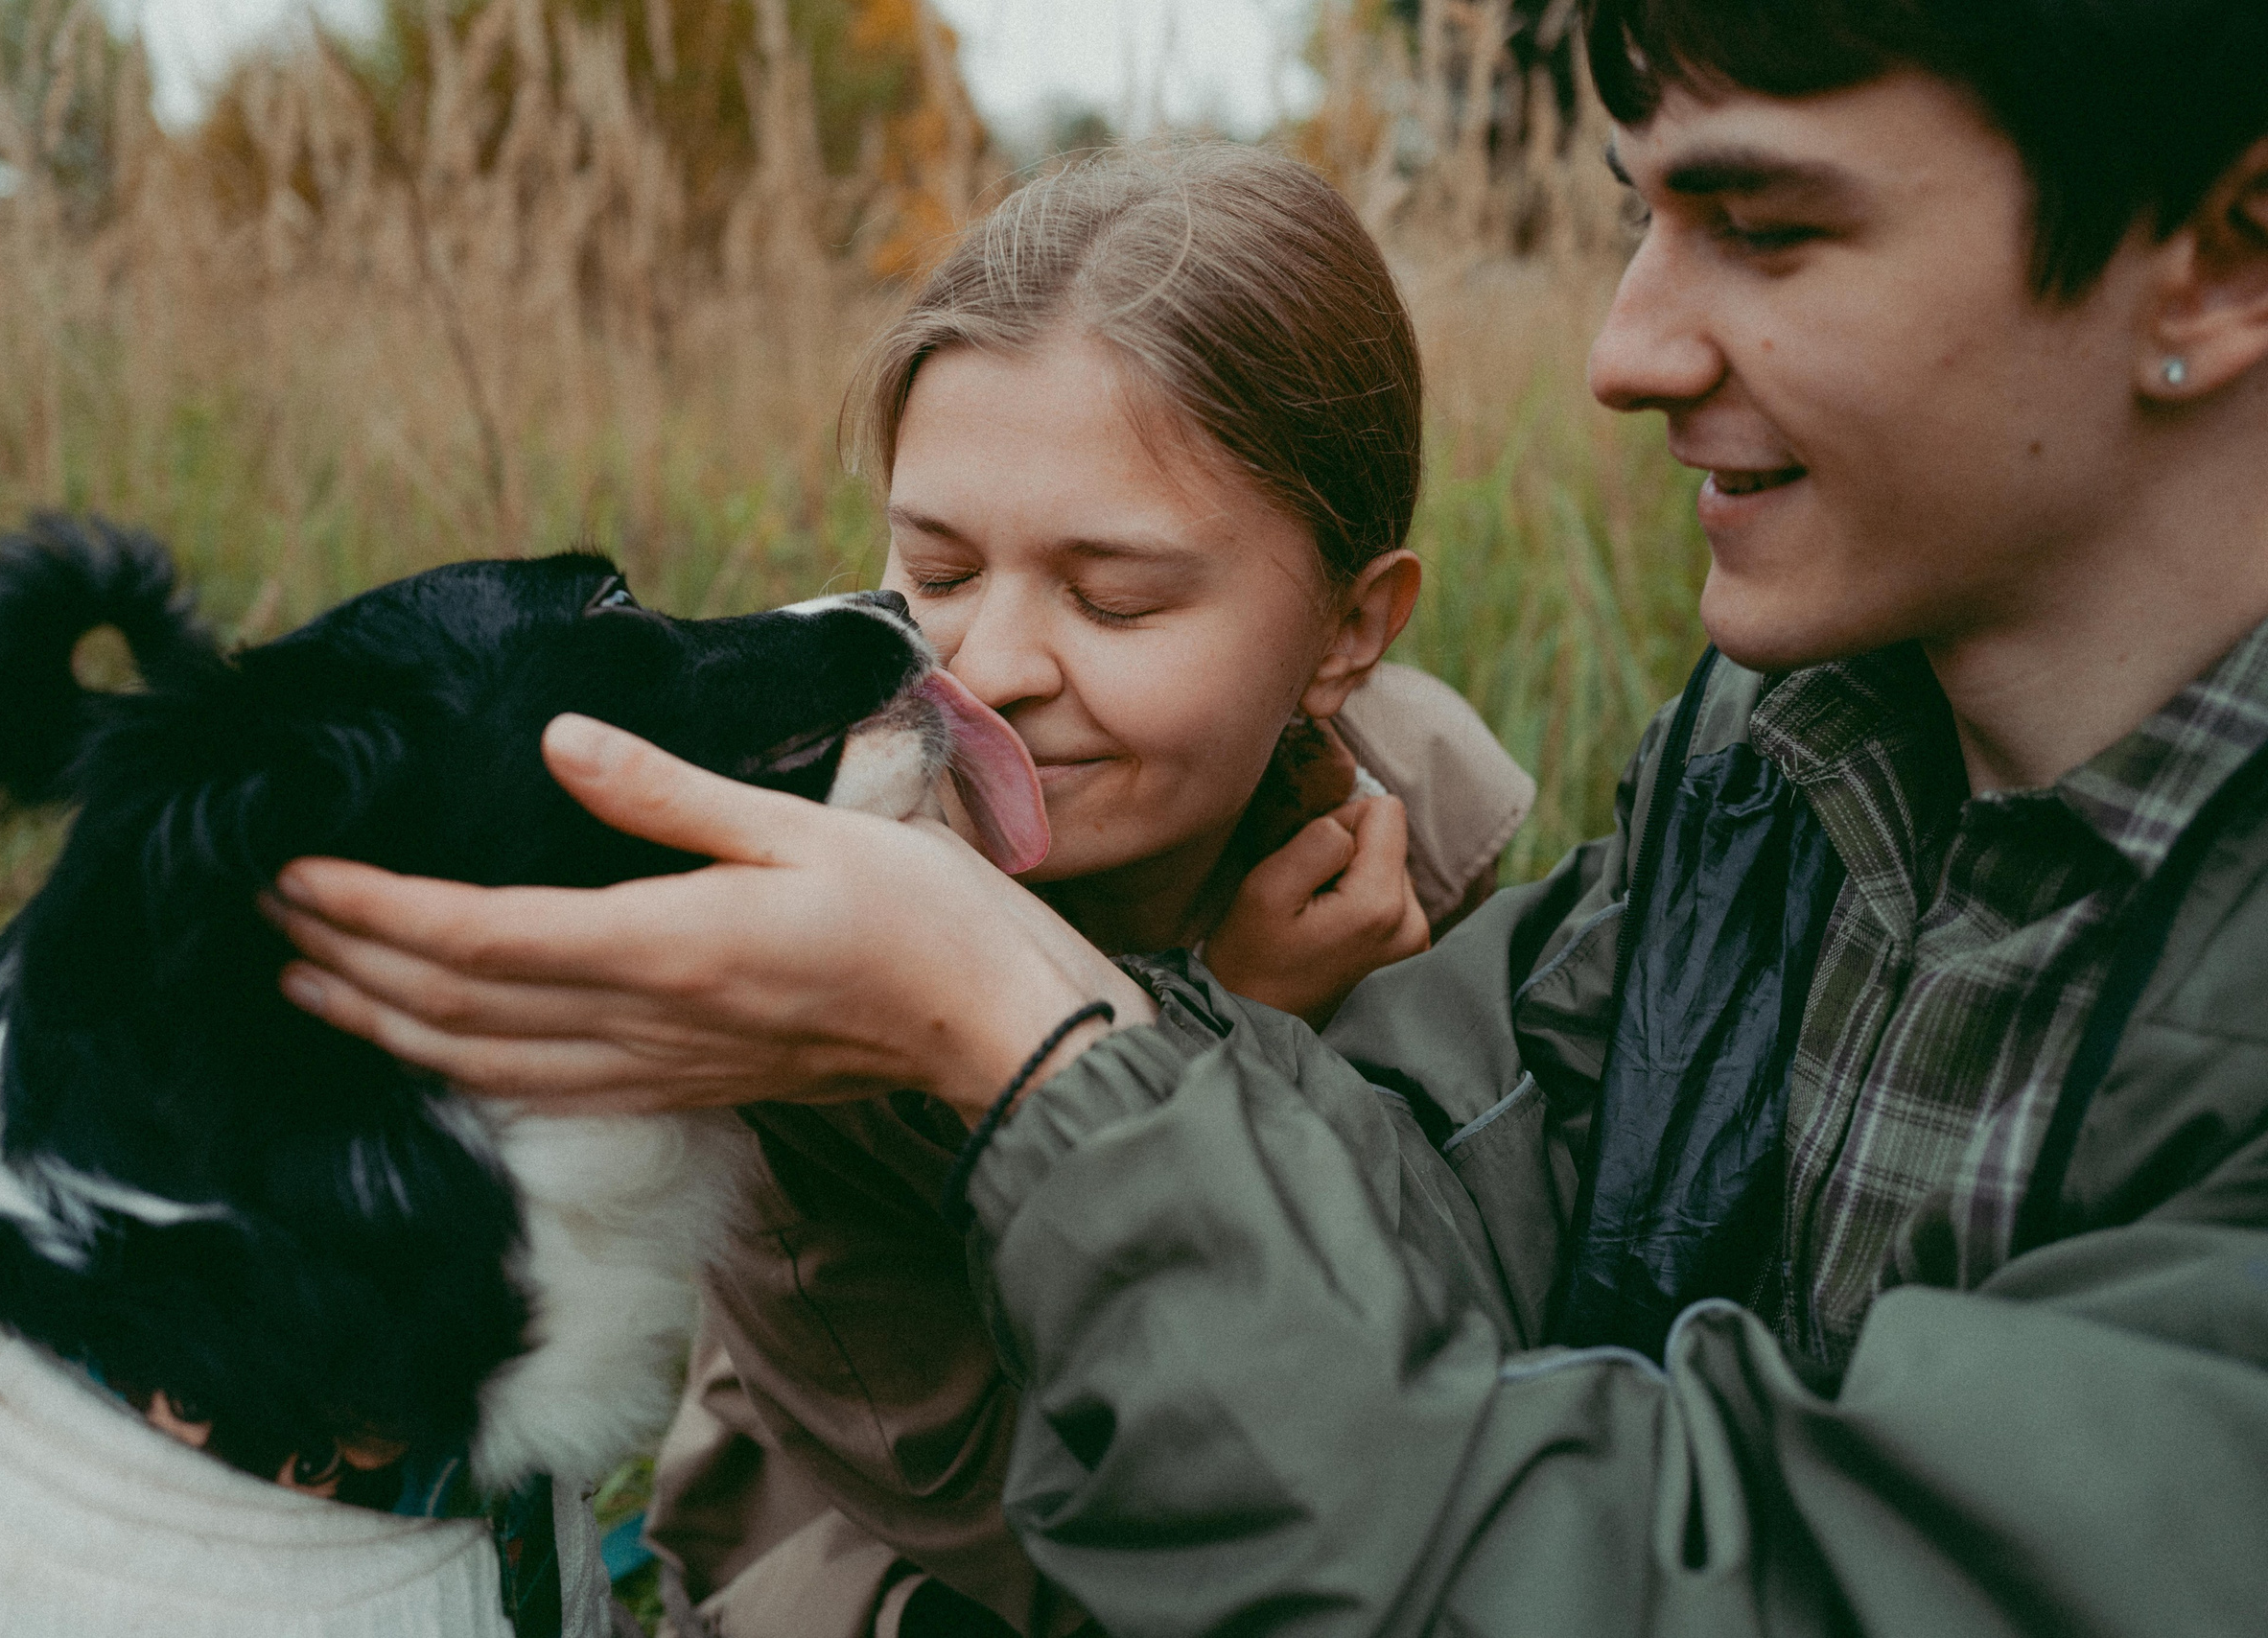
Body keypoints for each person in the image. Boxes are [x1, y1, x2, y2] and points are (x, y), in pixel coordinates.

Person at [268, 0, 2268, 1630]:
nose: (1622, 349)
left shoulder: (1442, 803)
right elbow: (1436, 1236)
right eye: (1636, 221)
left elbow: (1587, 1534)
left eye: (1767, 229)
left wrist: (1017, 1027)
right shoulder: (1774, 765)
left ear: (2220, 248)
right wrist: (1085, 1020)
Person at [621, 145, 1535, 1638]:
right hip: (897, 1566)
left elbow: (1474, 1326)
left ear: (1348, 634)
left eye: (1114, 598)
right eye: (938, 566)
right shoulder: (814, 975)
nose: (984, 671)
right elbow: (1059, 1524)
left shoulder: (1423, 829)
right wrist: (1217, 1040)